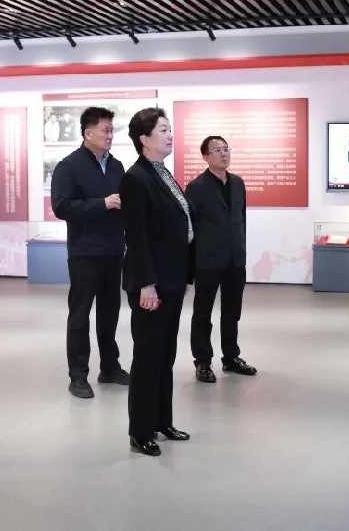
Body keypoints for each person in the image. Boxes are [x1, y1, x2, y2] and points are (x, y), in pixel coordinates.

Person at [120, 107, 193, 457]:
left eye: (169, 128)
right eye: (162, 130)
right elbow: (137, 236)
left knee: (166, 355)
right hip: (152, 285)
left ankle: (163, 420)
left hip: (172, 278)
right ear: (144, 138)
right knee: (148, 357)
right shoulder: (136, 178)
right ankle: (141, 430)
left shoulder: (162, 172)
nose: (169, 135)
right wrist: (146, 284)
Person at [50, 106, 128, 399]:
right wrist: (102, 204)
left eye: (111, 130)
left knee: (110, 312)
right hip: (85, 252)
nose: (109, 135)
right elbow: (61, 206)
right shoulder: (69, 166)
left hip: (113, 249)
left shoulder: (117, 166)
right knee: (80, 315)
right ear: (87, 133)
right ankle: (78, 376)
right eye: (105, 130)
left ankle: (110, 367)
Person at [185, 136, 257, 384]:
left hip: (235, 259)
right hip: (208, 259)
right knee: (202, 313)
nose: (224, 154)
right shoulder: (196, 187)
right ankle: (202, 361)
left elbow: (241, 219)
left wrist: (241, 249)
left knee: (232, 312)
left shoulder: (238, 183)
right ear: (205, 157)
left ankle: (231, 357)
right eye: (217, 150)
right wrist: (190, 265)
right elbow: (190, 228)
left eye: (226, 149)